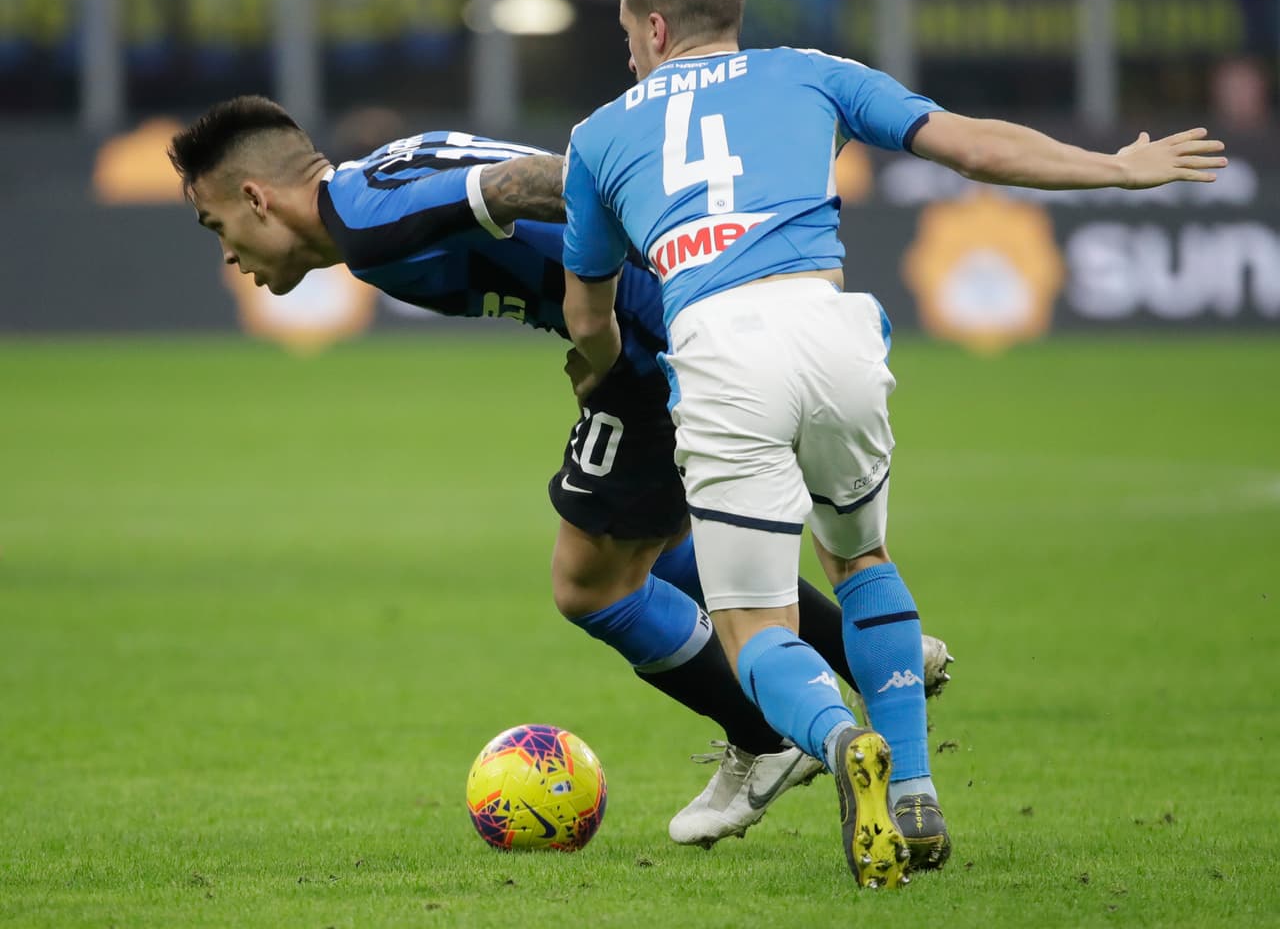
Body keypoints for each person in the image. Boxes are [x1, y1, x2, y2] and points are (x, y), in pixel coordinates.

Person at [559, 0, 1227, 888]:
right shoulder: (813, 73)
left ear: (656, 27)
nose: (629, 53)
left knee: (755, 627)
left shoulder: (600, 134)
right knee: (860, 556)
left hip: (720, 350)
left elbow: (588, 313)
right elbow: (972, 146)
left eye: (628, 34)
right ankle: (911, 780)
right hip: (832, 331)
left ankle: (837, 744)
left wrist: (603, 372)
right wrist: (1118, 169)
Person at [164, 97, 955, 852]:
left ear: (256, 198)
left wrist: (620, 304)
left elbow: (547, 180)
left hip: (661, 345)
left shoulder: (368, 223)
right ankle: (873, 655)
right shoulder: (381, 173)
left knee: (589, 583)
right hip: (677, 326)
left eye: (216, 226)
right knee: (658, 544)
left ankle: (768, 738)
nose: (227, 254)